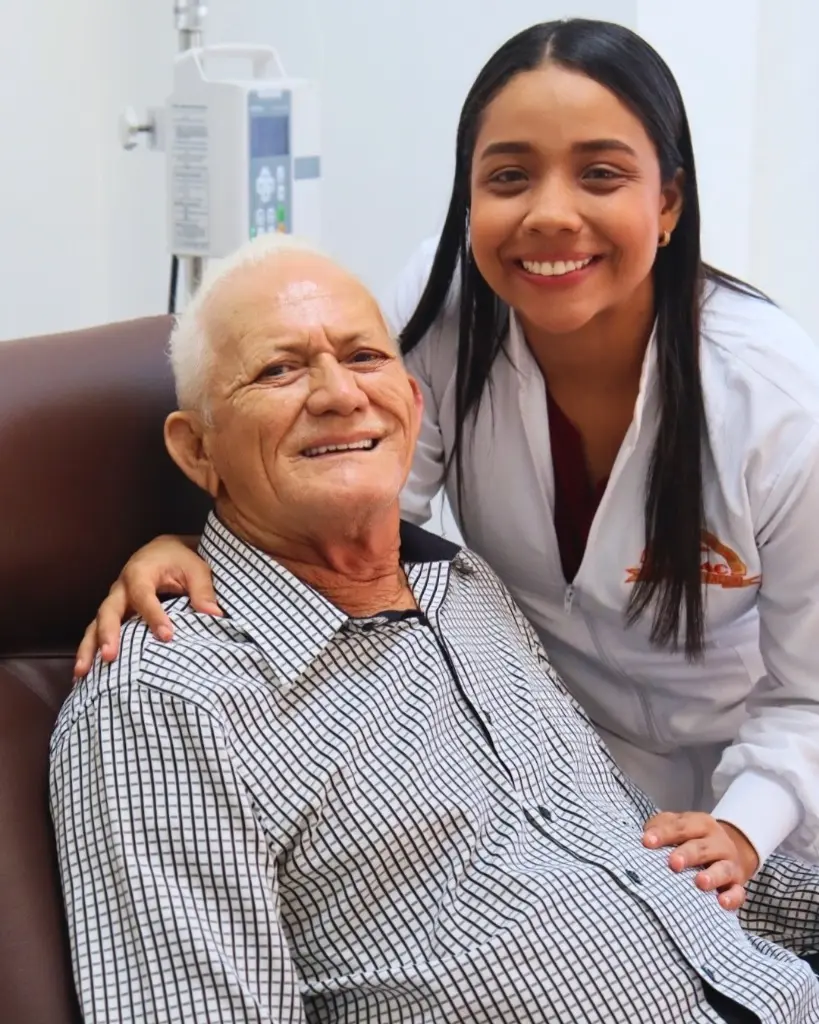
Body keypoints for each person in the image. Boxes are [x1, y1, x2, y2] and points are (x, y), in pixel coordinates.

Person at [74, 20, 819, 882]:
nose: (549, 213)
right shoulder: (440, 314)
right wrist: (201, 545)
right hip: (568, 784)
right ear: (468, 199)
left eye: (599, 173)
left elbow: (809, 691)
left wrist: (743, 829)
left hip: (765, 795)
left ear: (667, 204)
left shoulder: (773, 399)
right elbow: (351, 515)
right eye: (508, 176)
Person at [51, 235, 819, 1024]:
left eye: (364, 357)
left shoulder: (464, 591)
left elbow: (640, 855)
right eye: (279, 370)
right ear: (196, 449)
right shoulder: (164, 699)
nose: (339, 394)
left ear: (413, 408)